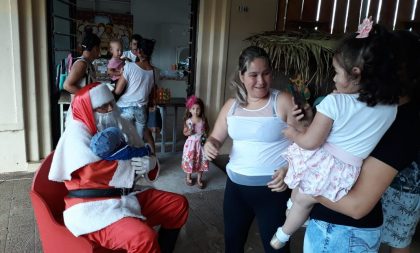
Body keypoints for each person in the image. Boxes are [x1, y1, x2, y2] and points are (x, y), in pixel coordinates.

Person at [267, 24, 420, 253]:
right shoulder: (377, 106)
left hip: (342, 231)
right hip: (334, 225)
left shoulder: (401, 119)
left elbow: (357, 206)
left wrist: (306, 183)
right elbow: (334, 140)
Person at [49, 83, 189, 253]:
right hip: (92, 209)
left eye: (111, 103)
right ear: (89, 110)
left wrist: (151, 162)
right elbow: (93, 173)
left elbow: (141, 150)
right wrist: (135, 164)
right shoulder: (75, 134)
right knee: (143, 239)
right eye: (102, 107)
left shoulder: (120, 123)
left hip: (125, 197)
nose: (110, 109)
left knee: (177, 205)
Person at [204, 46, 305, 253]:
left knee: (276, 248)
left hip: (272, 190)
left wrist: (288, 168)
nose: (261, 81)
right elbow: (215, 137)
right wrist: (210, 144)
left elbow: (307, 144)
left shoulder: (283, 100)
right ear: (241, 76)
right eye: (253, 75)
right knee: (232, 244)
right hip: (235, 189)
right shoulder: (231, 105)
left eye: (266, 73)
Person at [379, 30, 420, 253]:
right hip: (378, 185)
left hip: (406, 188)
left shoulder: (411, 114)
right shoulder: (382, 103)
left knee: (400, 239)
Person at [114, 38, 158, 154]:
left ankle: (124, 164)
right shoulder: (155, 71)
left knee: (121, 138)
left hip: (124, 108)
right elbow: (152, 93)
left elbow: (118, 91)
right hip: (141, 110)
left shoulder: (129, 67)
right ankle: (143, 163)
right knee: (138, 142)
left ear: (138, 51)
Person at [181, 95, 209, 189]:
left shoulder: (203, 120)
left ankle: (199, 179)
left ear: (201, 110)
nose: (195, 111)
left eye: (198, 109)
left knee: (201, 160)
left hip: (201, 144)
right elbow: (184, 133)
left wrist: (205, 138)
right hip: (191, 145)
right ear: (189, 110)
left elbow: (206, 131)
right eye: (193, 108)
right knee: (190, 160)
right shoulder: (188, 121)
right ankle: (188, 176)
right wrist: (189, 131)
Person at [63, 29, 101, 94]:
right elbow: (67, 86)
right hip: (82, 103)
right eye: (99, 48)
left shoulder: (88, 63)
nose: (100, 51)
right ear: (95, 48)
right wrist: (88, 97)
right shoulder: (81, 64)